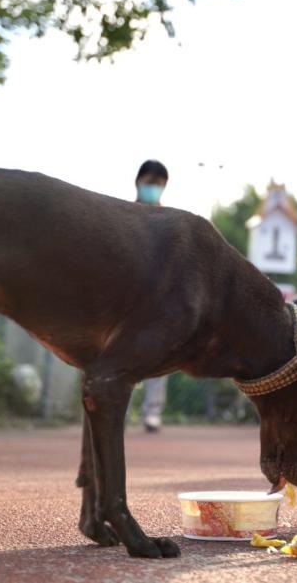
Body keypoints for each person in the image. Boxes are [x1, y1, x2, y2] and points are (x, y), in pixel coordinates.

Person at [134, 159, 170, 433]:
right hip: (124, 297)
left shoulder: (167, 219)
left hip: (156, 299)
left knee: (159, 360)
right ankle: (114, 410)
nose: (152, 189)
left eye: (158, 185)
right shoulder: (122, 213)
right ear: (138, 182)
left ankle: (152, 413)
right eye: (149, 183)